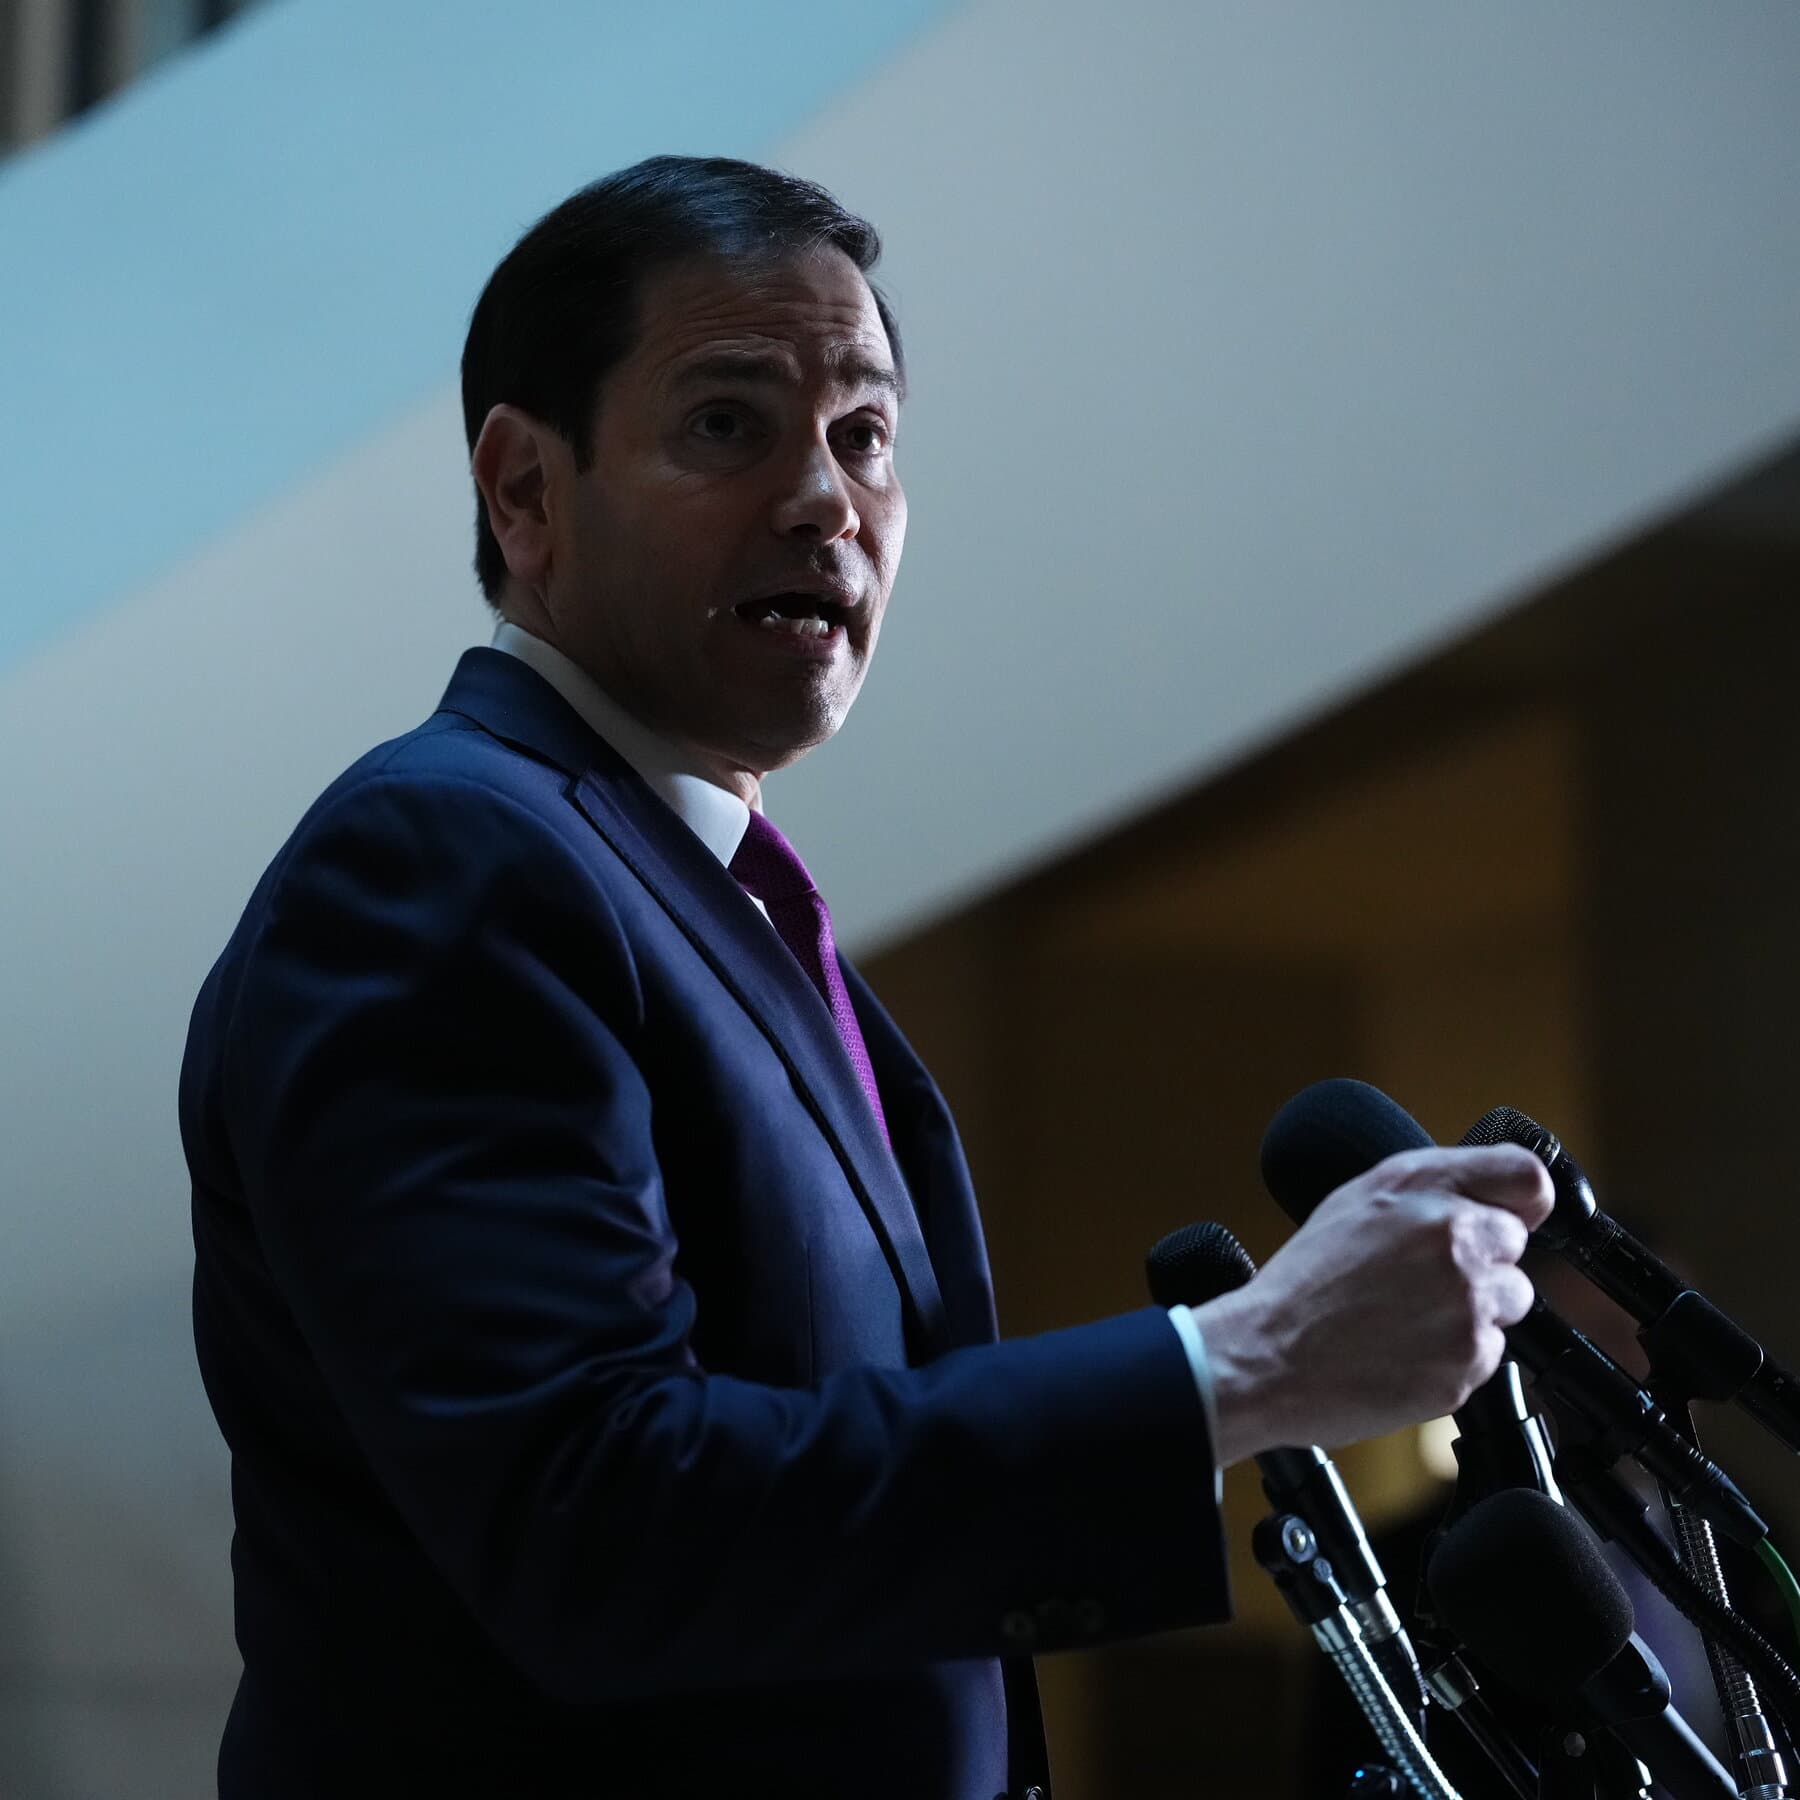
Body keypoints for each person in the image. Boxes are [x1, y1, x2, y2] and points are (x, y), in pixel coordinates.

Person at [179, 155, 1553, 1800]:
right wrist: (1241, 1365)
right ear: (525, 491)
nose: (827, 500)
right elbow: (594, 1519)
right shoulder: (446, 861)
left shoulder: (692, 884)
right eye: (728, 425)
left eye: (866, 435)